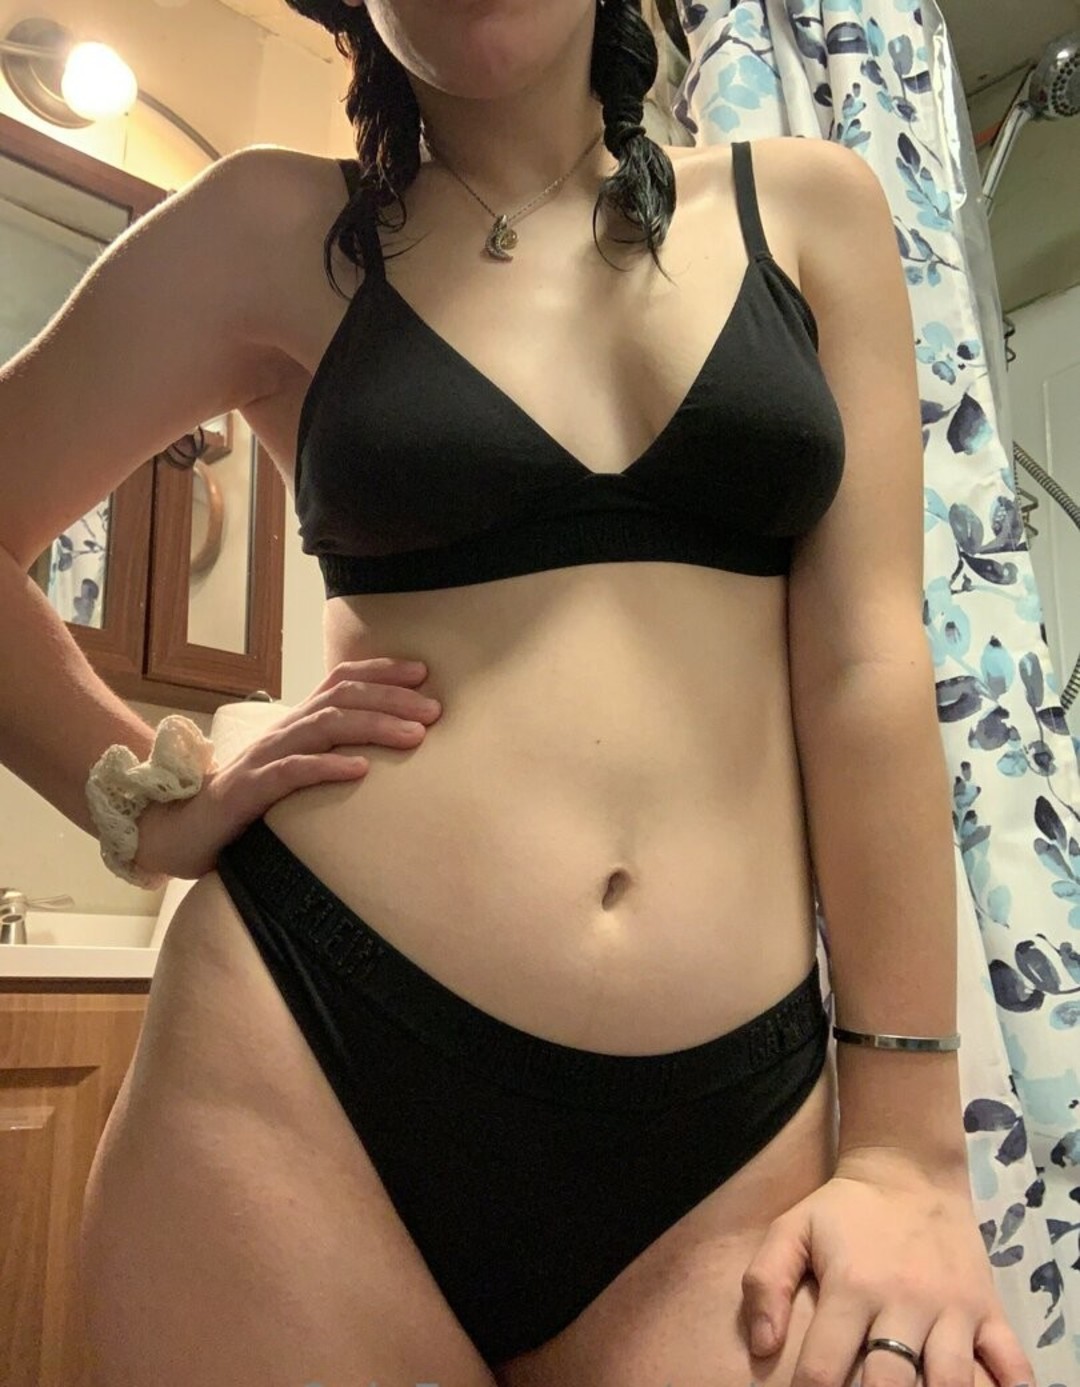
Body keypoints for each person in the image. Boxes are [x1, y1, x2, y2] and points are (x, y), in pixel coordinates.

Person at [0, 2, 1036, 1385]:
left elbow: (866, 663)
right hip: (302, 1083)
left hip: (732, 1142)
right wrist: (143, 800)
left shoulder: (806, 210)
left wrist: (909, 1149)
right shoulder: (265, 229)